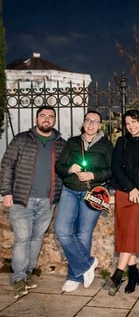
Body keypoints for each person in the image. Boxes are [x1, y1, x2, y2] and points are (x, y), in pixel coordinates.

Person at [0, 105, 66, 299]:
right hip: (22, 199)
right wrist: (6, 192)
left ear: (54, 120)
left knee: (36, 238)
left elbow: (65, 170)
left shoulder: (61, 144)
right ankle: (19, 278)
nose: (47, 119)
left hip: (48, 201)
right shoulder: (21, 139)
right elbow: (7, 165)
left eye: (50, 117)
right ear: (37, 119)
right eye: (43, 116)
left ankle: (28, 272)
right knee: (22, 238)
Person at [54, 110, 113, 293]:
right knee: (62, 230)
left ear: (100, 126)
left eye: (95, 122)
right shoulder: (72, 142)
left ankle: (75, 276)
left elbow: (111, 170)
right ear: (83, 123)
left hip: (93, 193)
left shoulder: (105, 145)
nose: (91, 124)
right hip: (70, 190)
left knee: (83, 234)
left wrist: (94, 174)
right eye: (88, 120)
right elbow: (59, 167)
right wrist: (69, 168)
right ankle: (88, 264)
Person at [107, 109, 139, 296]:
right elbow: (115, 168)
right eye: (127, 123)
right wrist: (130, 188)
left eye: (134, 122)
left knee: (132, 228)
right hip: (124, 193)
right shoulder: (122, 142)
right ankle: (134, 272)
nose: (131, 126)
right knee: (127, 231)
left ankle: (118, 274)